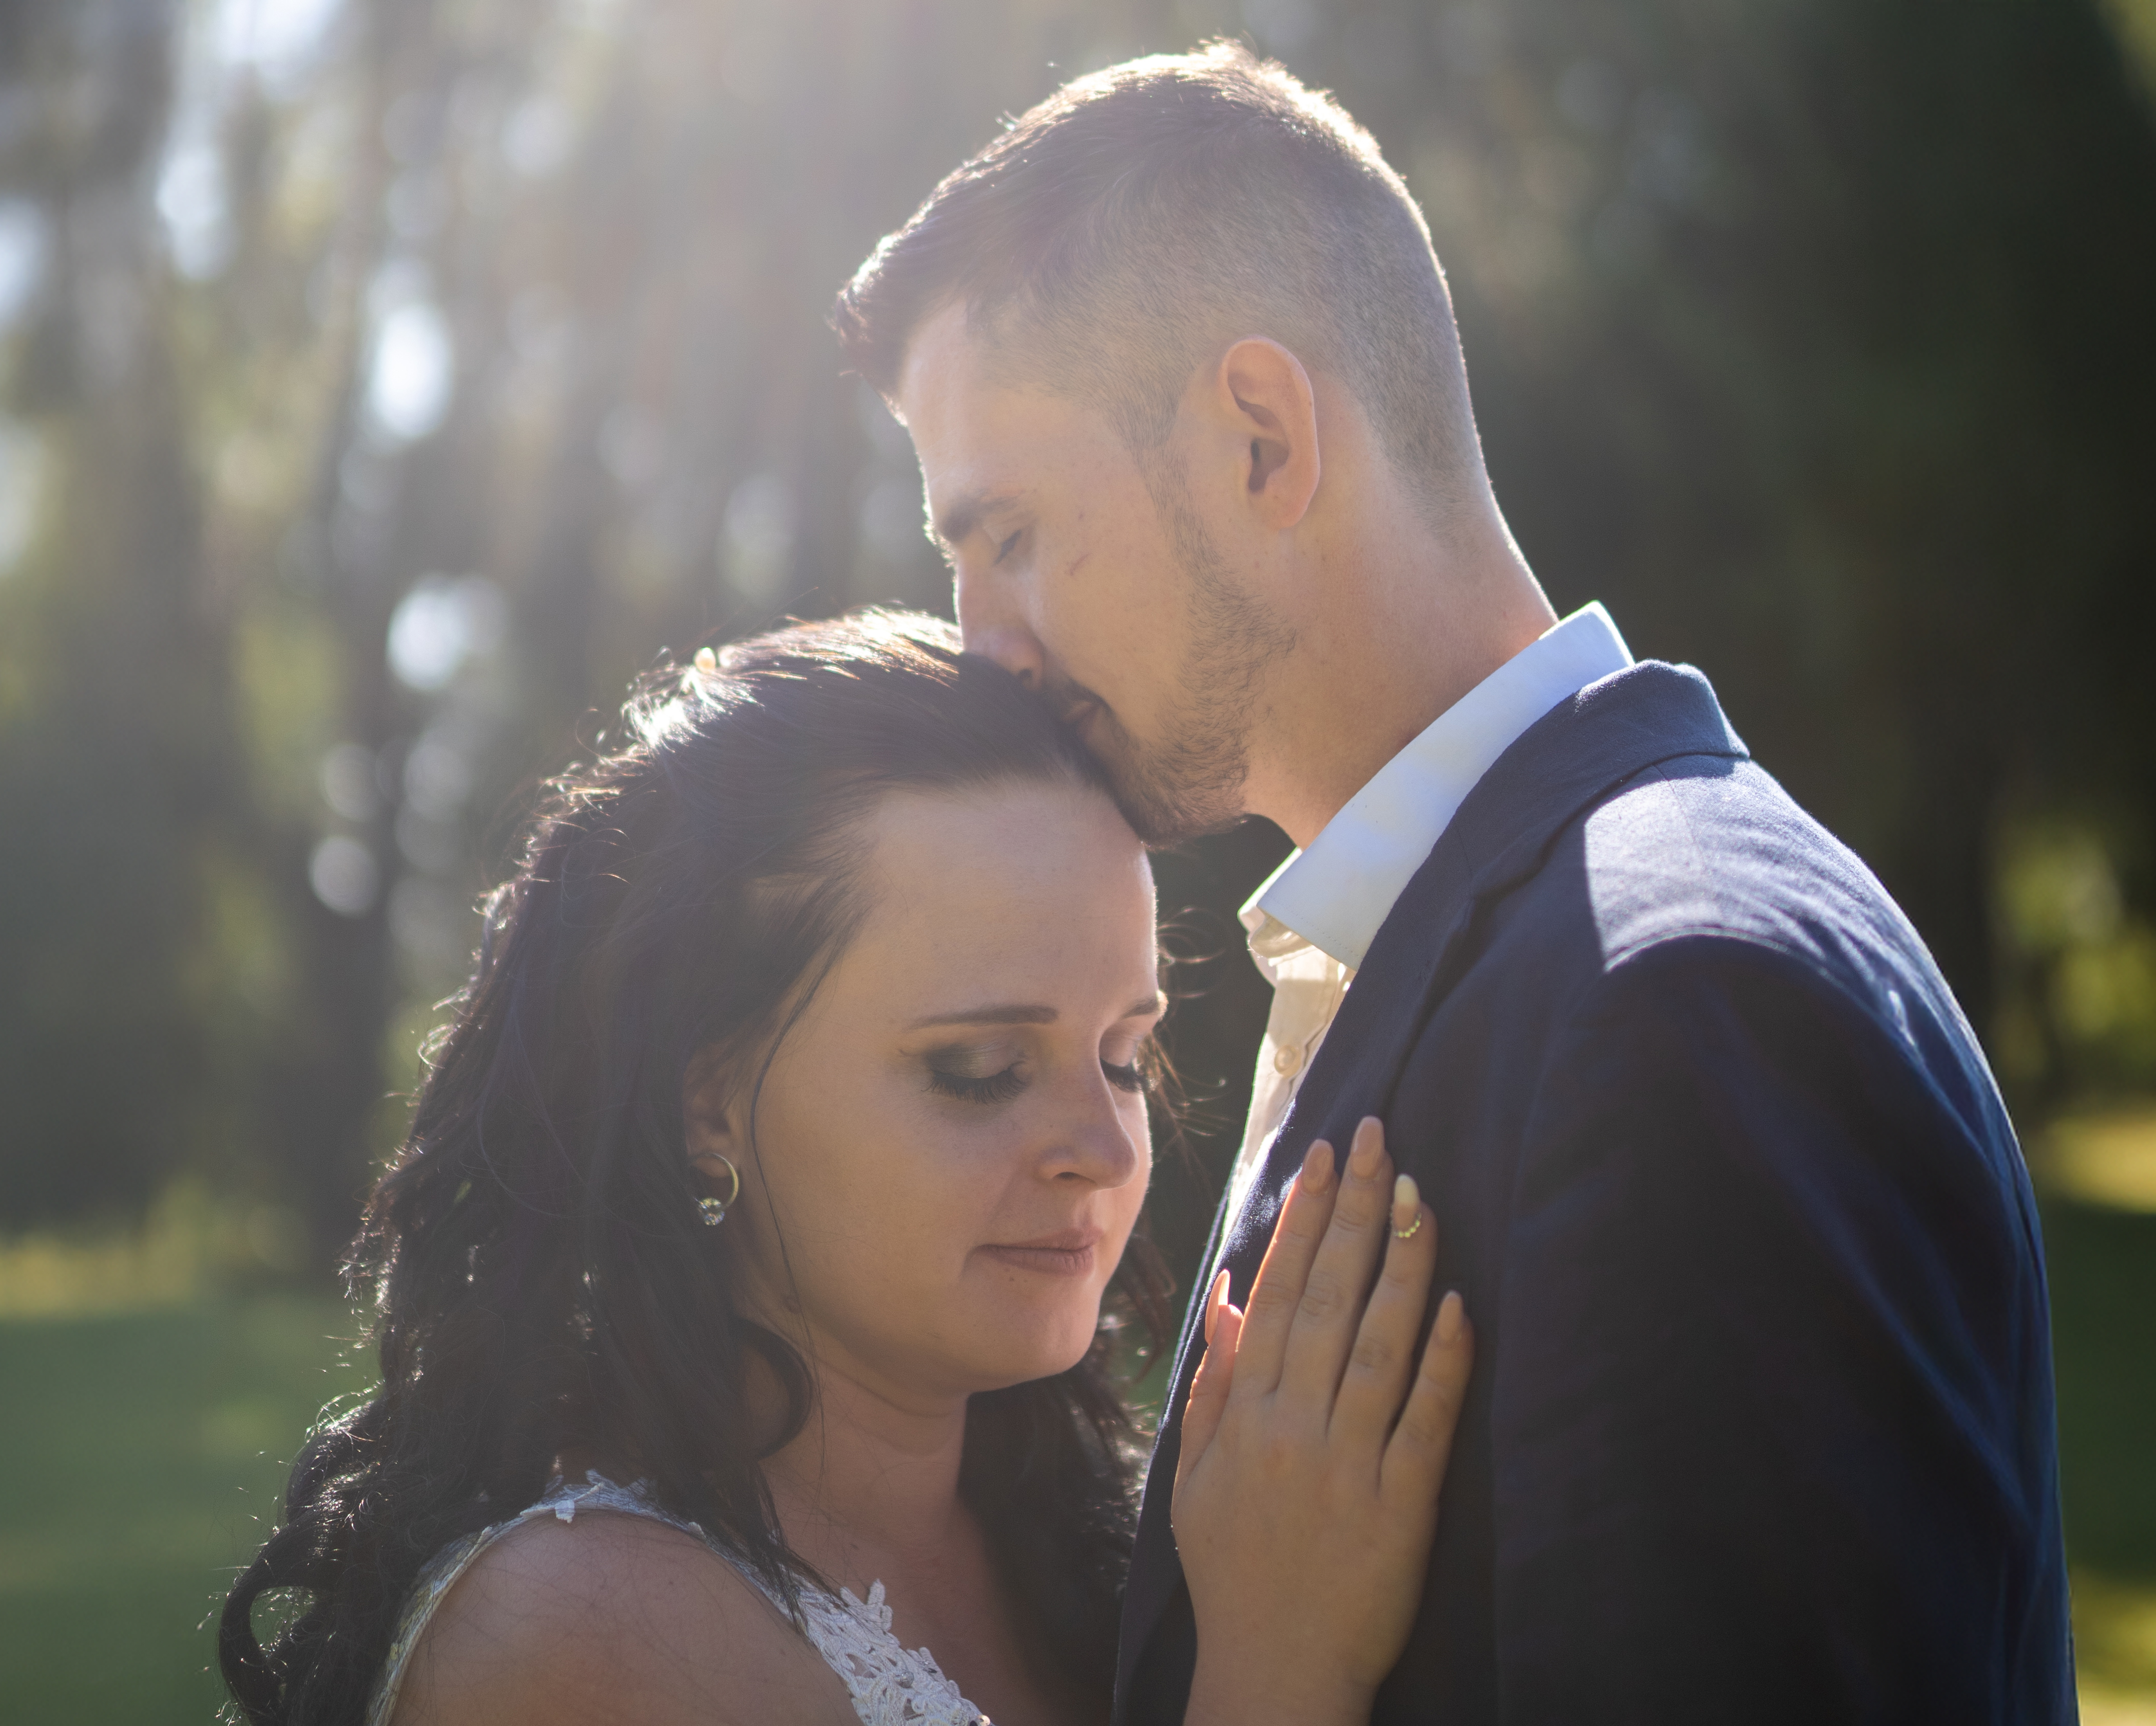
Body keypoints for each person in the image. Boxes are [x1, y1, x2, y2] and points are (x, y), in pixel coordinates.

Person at [834, 43, 2077, 1723]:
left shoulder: (1679, 1005)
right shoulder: (1446, 956)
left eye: (1010, 536)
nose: (983, 646)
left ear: (1260, 442)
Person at [217, 611, 1473, 1726]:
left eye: (1125, 1056)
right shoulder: (570, 1637)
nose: (1100, 1150)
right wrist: (1276, 1668)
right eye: (979, 1067)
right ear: (700, 1096)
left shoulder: (1106, 1536)